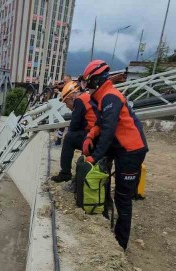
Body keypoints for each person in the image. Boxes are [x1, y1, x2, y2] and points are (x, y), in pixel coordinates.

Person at [81, 60, 149, 250]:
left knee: (123, 197)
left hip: (131, 151)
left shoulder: (110, 97)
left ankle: (120, 243)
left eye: (88, 83)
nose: (86, 88)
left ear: (96, 80)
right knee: (101, 162)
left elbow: (109, 130)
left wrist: (93, 158)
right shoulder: (104, 97)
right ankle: (104, 210)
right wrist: (90, 135)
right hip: (121, 147)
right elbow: (101, 123)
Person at [51, 80, 99, 182]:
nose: (68, 106)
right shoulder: (86, 97)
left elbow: (74, 124)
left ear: (70, 97)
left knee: (69, 138)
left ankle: (65, 173)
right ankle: (79, 175)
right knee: (75, 136)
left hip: (94, 135)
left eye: (66, 102)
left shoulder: (80, 100)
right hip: (97, 134)